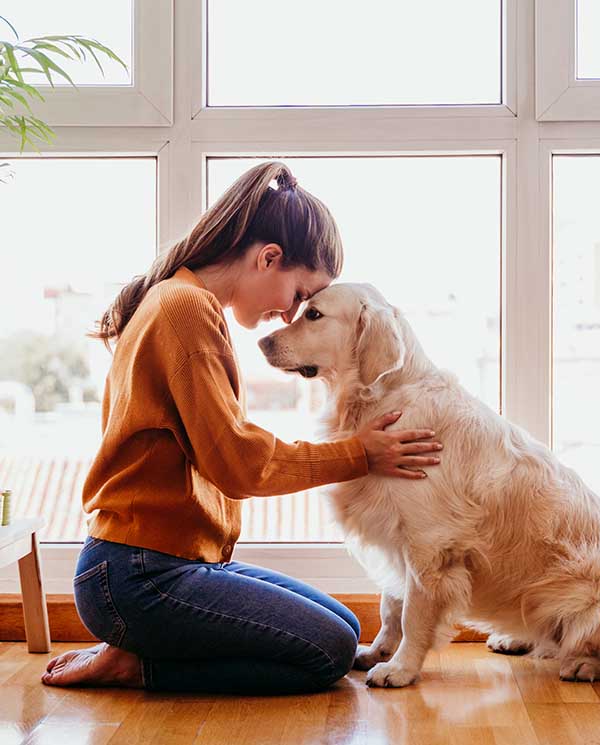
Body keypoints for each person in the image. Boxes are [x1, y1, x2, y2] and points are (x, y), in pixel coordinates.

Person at [41, 161, 442, 694]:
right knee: (328, 651)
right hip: (137, 575)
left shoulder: (183, 300)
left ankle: (140, 644)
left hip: (167, 564)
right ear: (268, 257)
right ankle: (137, 663)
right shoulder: (184, 310)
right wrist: (359, 453)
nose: (289, 314)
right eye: (299, 295)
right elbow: (239, 464)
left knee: (345, 628)